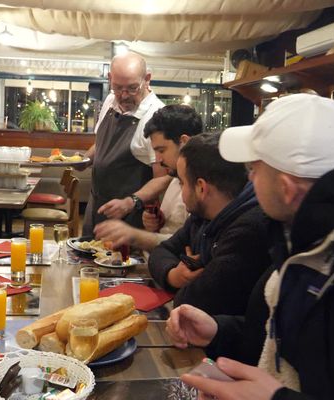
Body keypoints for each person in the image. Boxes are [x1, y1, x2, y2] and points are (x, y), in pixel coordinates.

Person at [167, 94, 334, 400]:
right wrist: (221, 331)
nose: (249, 180)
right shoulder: (307, 231)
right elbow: (296, 342)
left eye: (254, 169)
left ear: (287, 189)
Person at [148, 133, 270, 316]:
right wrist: (174, 276)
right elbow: (160, 252)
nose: (180, 191)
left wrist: (192, 275)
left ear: (201, 188)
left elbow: (190, 303)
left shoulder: (249, 231)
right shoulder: (202, 216)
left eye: (182, 183)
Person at [93, 104, 201, 251]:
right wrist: (155, 224)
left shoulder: (202, 187)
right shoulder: (175, 176)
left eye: (161, 150)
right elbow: (172, 230)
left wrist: (134, 235)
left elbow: (189, 243)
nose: (158, 159)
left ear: (184, 142)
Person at [80, 51, 166, 236]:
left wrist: (130, 202)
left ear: (147, 79)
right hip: (97, 204)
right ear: (110, 78)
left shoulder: (156, 117)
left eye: (132, 88)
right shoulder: (111, 100)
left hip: (129, 217)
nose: (124, 95)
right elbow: (102, 145)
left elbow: (163, 177)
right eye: (118, 87)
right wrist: (84, 160)